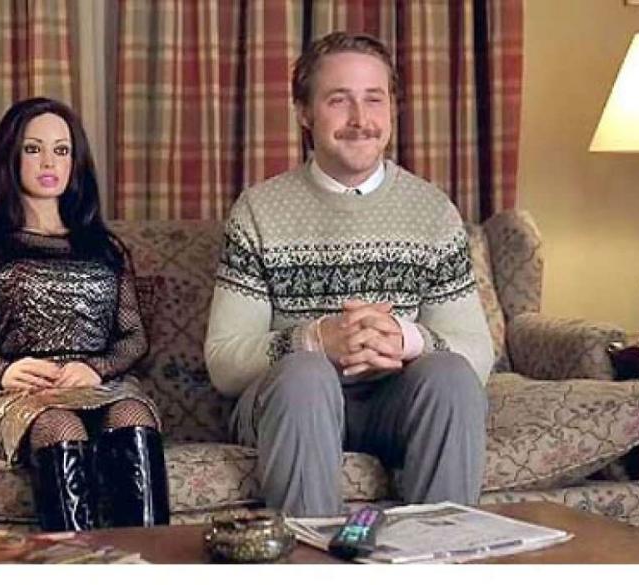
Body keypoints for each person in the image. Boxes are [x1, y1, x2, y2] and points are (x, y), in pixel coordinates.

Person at [204, 32, 493, 517]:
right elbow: (224, 363)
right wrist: (317, 340)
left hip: (395, 405)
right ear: (304, 112)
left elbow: (478, 356)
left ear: (392, 110)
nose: (360, 119)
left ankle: (440, 549)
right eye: (339, 100)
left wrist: (405, 339)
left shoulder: (432, 211)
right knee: (305, 374)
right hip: (290, 404)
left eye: (374, 99)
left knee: (451, 375)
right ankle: (312, 552)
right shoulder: (258, 211)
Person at [0, 97, 169, 532]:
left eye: (62, 150)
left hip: (100, 386)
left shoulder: (105, 248)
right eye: (33, 149)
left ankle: (147, 563)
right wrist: (5, 371)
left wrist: (97, 368)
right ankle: (74, 563)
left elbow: (134, 338)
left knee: (133, 416)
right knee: (60, 425)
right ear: (11, 157)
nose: (49, 162)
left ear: (75, 161)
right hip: (21, 397)